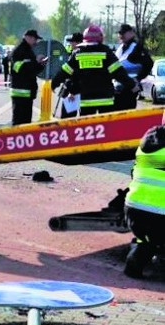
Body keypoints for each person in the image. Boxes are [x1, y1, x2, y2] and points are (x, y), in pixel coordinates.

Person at [51, 25, 137, 118]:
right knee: (106, 128)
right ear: (100, 37)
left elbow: (64, 71)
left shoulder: (78, 53)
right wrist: (132, 85)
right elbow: (119, 73)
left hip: (86, 101)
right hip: (105, 100)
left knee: (88, 128)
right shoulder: (106, 52)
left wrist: (54, 83)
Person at [124, 110, 165, 278]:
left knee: (147, 239)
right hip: (161, 216)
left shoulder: (145, 142)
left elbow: (134, 173)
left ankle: (135, 263)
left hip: (133, 210)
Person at [9, 29, 48, 125]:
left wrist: (41, 64)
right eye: (35, 39)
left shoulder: (29, 50)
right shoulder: (19, 51)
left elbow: (32, 70)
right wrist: (35, 62)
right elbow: (19, 68)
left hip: (27, 92)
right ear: (28, 38)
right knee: (19, 121)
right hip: (20, 92)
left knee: (26, 122)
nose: (36, 42)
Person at [114, 23, 154, 111]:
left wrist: (138, 78)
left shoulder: (137, 48)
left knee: (127, 114)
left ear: (131, 33)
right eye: (120, 33)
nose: (121, 35)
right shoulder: (120, 48)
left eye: (123, 33)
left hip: (130, 88)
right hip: (118, 87)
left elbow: (149, 63)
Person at [54, 32, 83, 118]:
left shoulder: (78, 54)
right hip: (73, 88)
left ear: (78, 43)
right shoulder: (72, 53)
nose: (70, 44)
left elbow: (76, 75)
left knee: (68, 119)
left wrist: (72, 91)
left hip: (73, 90)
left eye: (72, 42)